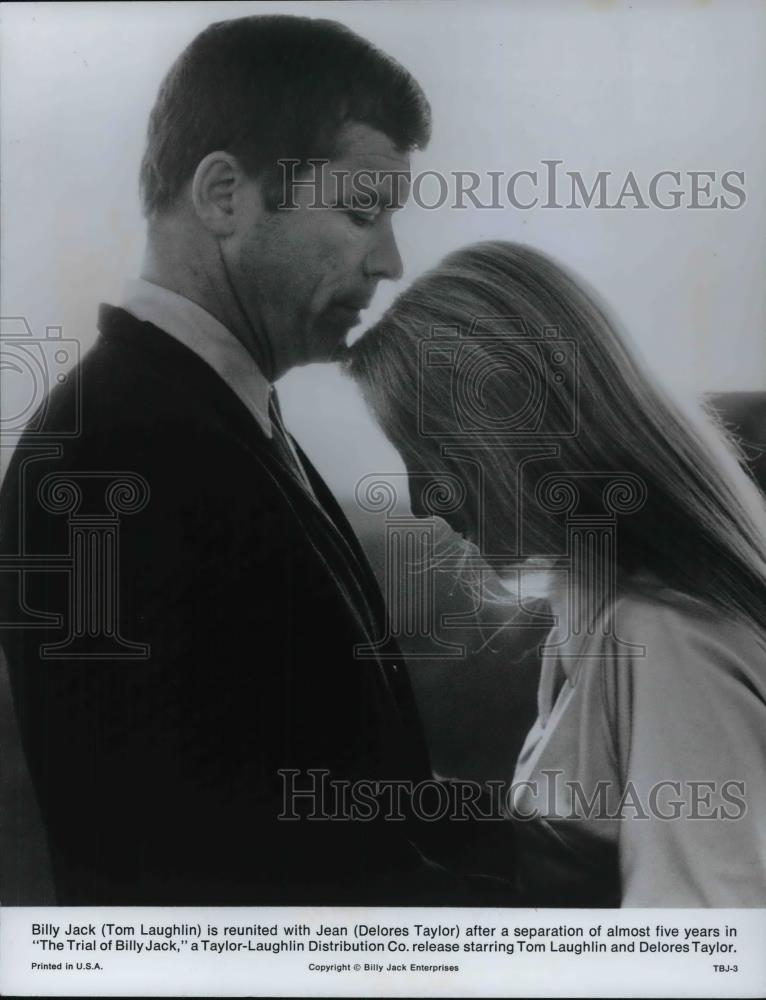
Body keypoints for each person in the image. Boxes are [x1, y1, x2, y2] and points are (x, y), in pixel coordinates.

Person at [0, 14, 462, 905]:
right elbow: (191, 864)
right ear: (223, 195)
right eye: (362, 210)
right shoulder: (109, 460)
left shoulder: (209, 417)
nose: (391, 260)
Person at [347, 240, 766, 906]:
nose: (422, 497)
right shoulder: (594, 605)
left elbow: (698, 951)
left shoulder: (663, 637)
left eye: (429, 456)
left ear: (515, 445)